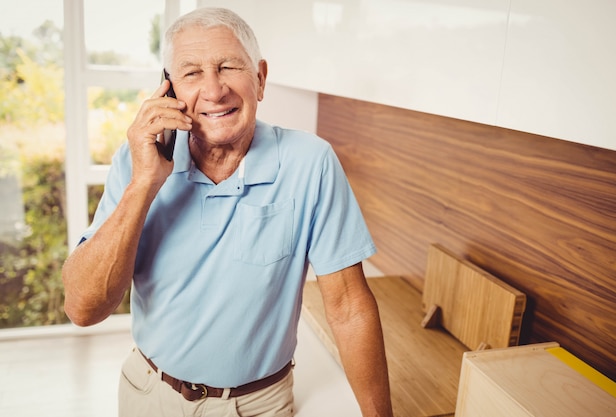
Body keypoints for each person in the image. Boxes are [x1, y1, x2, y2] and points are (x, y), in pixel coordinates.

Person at [62, 7, 392, 417]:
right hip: (148, 394)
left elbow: (349, 307)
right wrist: (144, 184)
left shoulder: (311, 162)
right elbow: (82, 309)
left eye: (229, 66)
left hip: (258, 405)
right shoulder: (135, 164)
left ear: (260, 78)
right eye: (191, 73)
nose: (214, 91)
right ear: (168, 91)